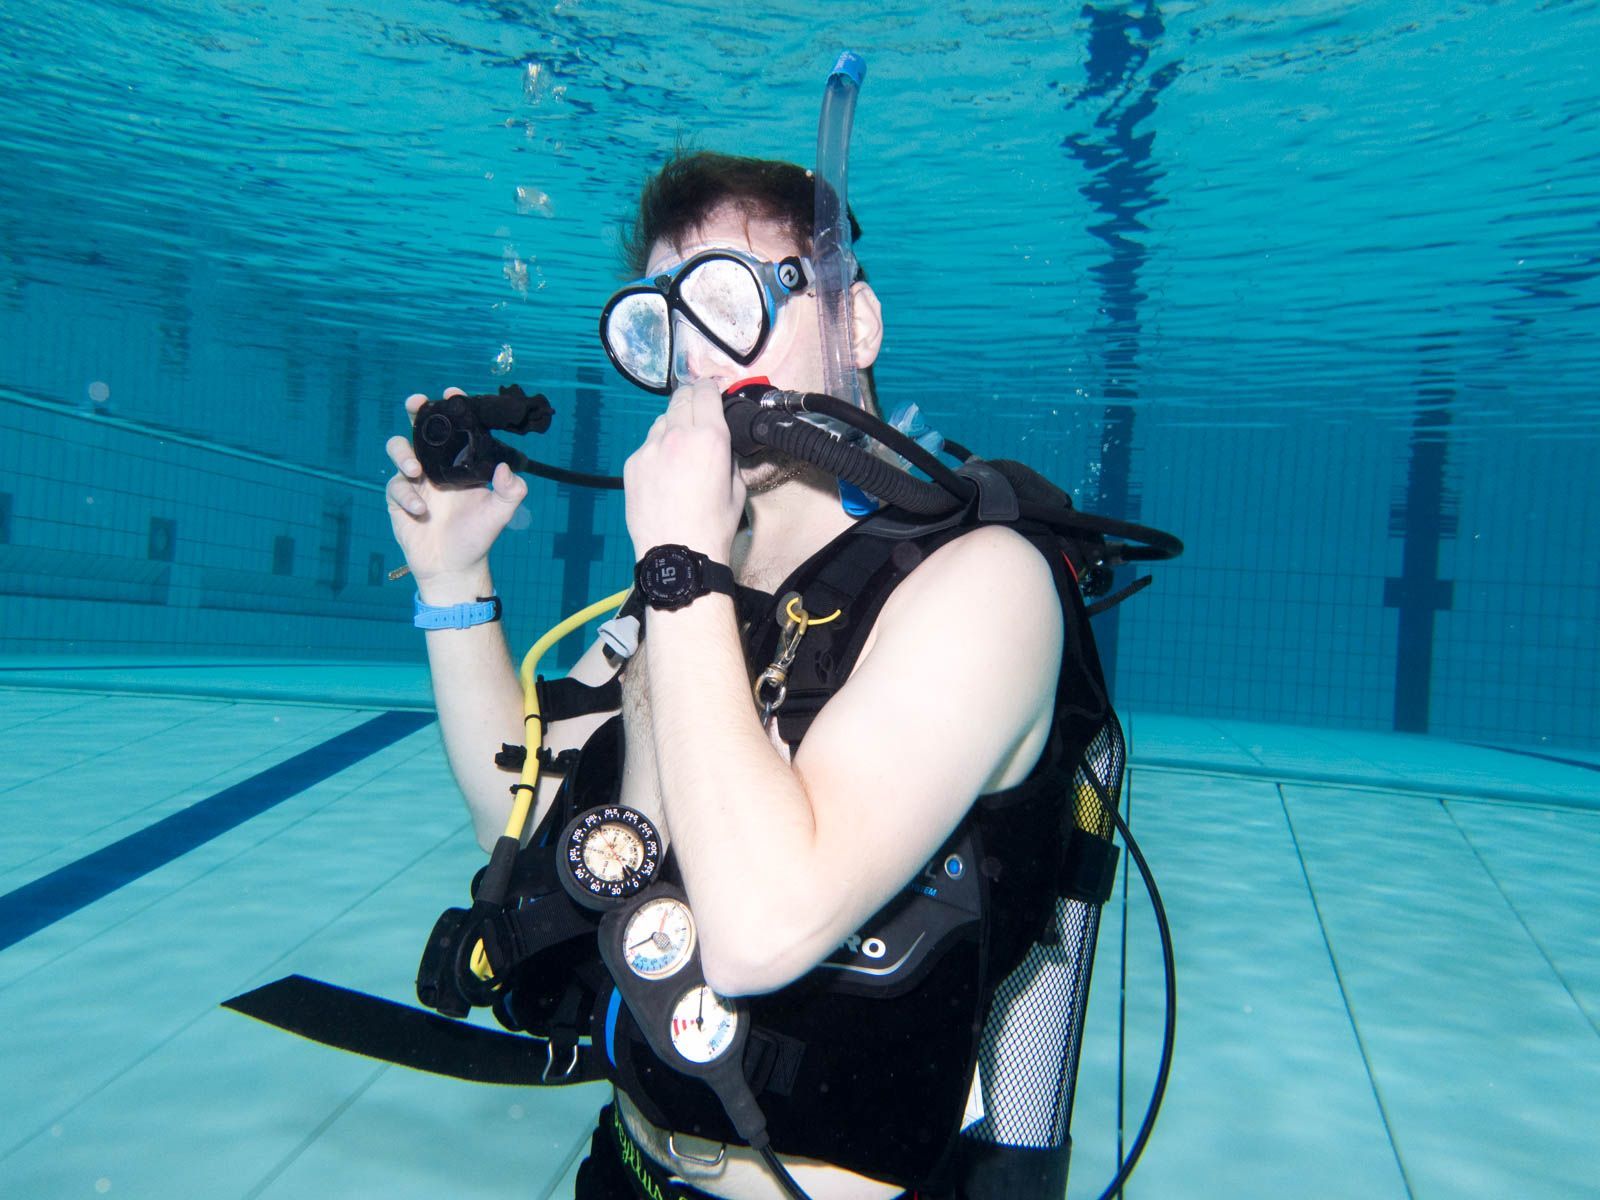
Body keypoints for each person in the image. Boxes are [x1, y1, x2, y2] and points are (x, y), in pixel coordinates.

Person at [383, 152, 1084, 1200]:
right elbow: (523, 818)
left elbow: (759, 933)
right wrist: (453, 582)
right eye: (660, 329)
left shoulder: (984, 585)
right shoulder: (686, 583)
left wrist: (679, 564)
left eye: (727, 302)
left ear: (855, 325)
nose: (698, 364)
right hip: (627, 1166)